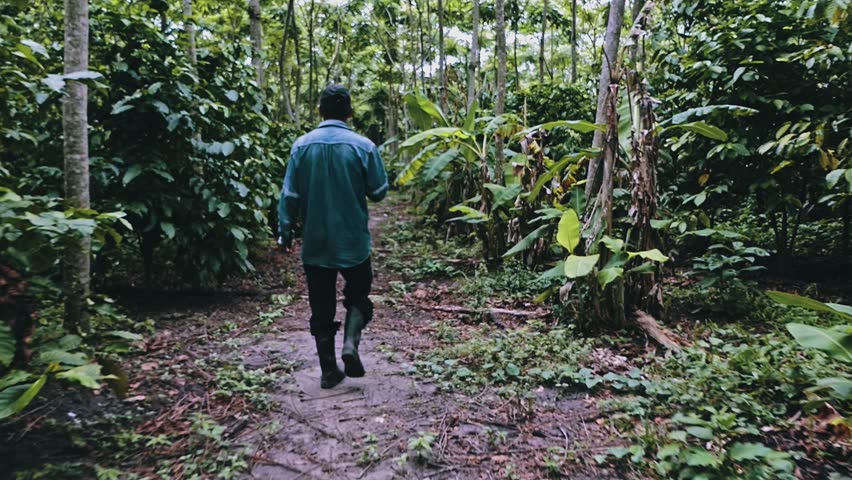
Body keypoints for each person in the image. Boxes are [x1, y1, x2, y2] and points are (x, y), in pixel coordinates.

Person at [278, 85, 389, 389]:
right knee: (359, 297)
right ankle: (350, 345)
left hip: (316, 242)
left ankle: (329, 370)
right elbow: (379, 192)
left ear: (320, 111)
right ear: (350, 113)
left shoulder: (301, 146)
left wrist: (284, 231)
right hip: (354, 242)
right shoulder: (363, 146)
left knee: (321, 307)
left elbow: (290, 194)